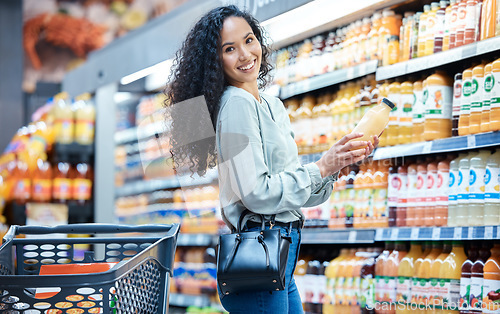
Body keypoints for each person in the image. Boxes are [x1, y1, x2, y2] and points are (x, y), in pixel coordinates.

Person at [165, 5, 378, 313]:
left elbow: (293, 192)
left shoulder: (269, 104)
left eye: (249, 40)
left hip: (281, 253)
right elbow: (256, 193)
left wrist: (337, 164)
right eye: (229, 48)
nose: (245, 54)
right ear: (215, 61)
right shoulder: (236, 104)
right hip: (260, 251)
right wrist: (322, 166)